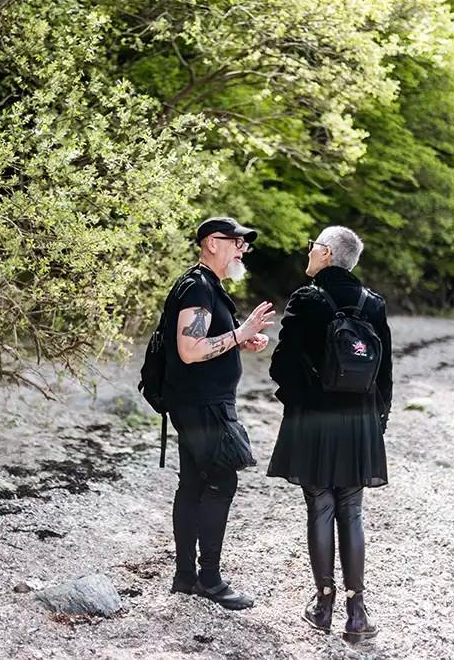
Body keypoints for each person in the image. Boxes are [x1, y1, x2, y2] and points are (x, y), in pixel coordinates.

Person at [267, 226, 392, 641]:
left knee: (320, 507)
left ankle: (323, 606)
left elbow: (280, 367)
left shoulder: (306, 299)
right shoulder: (373, 303)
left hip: (314, 420)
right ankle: (357, 614)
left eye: (312, 246)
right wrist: (377, 423)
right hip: (360, 423)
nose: (309, 252)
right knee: (352, 513)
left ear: (326, 253)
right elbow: (385, 374)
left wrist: (301, 401)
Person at [163, 216, 277, 610]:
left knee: (192, 484)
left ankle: (185, 577)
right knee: (220, 482)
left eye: (244, 244)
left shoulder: (206, 285)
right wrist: (241, 332)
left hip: (199, 403)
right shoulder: (197, 287)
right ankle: (208, 580)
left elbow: (205, 342)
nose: (242, 250)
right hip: (203, 405)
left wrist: (240, 342)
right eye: (236, 242)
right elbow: (190, 350)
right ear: (212, 243)